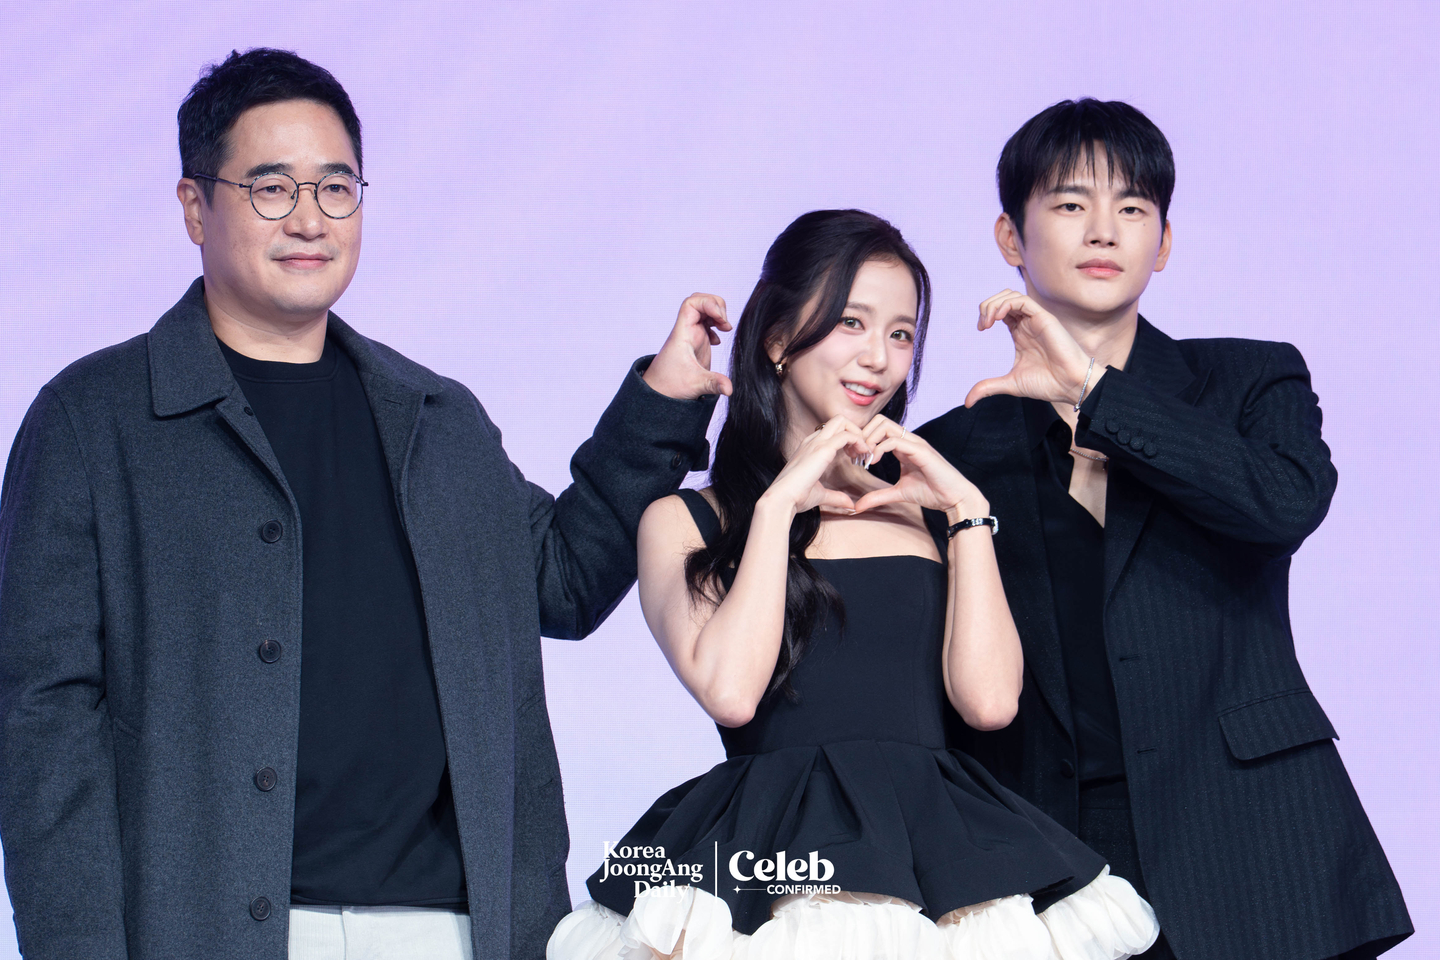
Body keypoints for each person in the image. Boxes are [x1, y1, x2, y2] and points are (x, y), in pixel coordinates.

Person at [0, 48, 727, 960]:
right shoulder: (95, 420)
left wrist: (660, 406)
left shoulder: (436, 417)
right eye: (271, 188)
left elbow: (565, 580)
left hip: (451, 931)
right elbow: (42, 727)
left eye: (335, 187)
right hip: (209, 933)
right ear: (195, 207)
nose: (309, 218)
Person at [547, 209, 1160, 960]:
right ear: (776, 339)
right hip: (768, 863)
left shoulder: (930, 508)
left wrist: (968, 513)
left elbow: (991, 703)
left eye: (901, 334)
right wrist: (776, 509)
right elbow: (732, 692)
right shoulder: (685, 521)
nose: (878, 357)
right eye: (850, 322)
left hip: (936, 861)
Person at [914, 99, 1412, 959]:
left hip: (1251, 837)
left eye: (1133, 208)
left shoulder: (1249, 378)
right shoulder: (953, 450)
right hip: (1050, 858)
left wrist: (1094, 395)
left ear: (1165, 243)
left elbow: (1284, 506)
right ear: (1010, 237)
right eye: (1070, 205)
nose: (1103, 230)